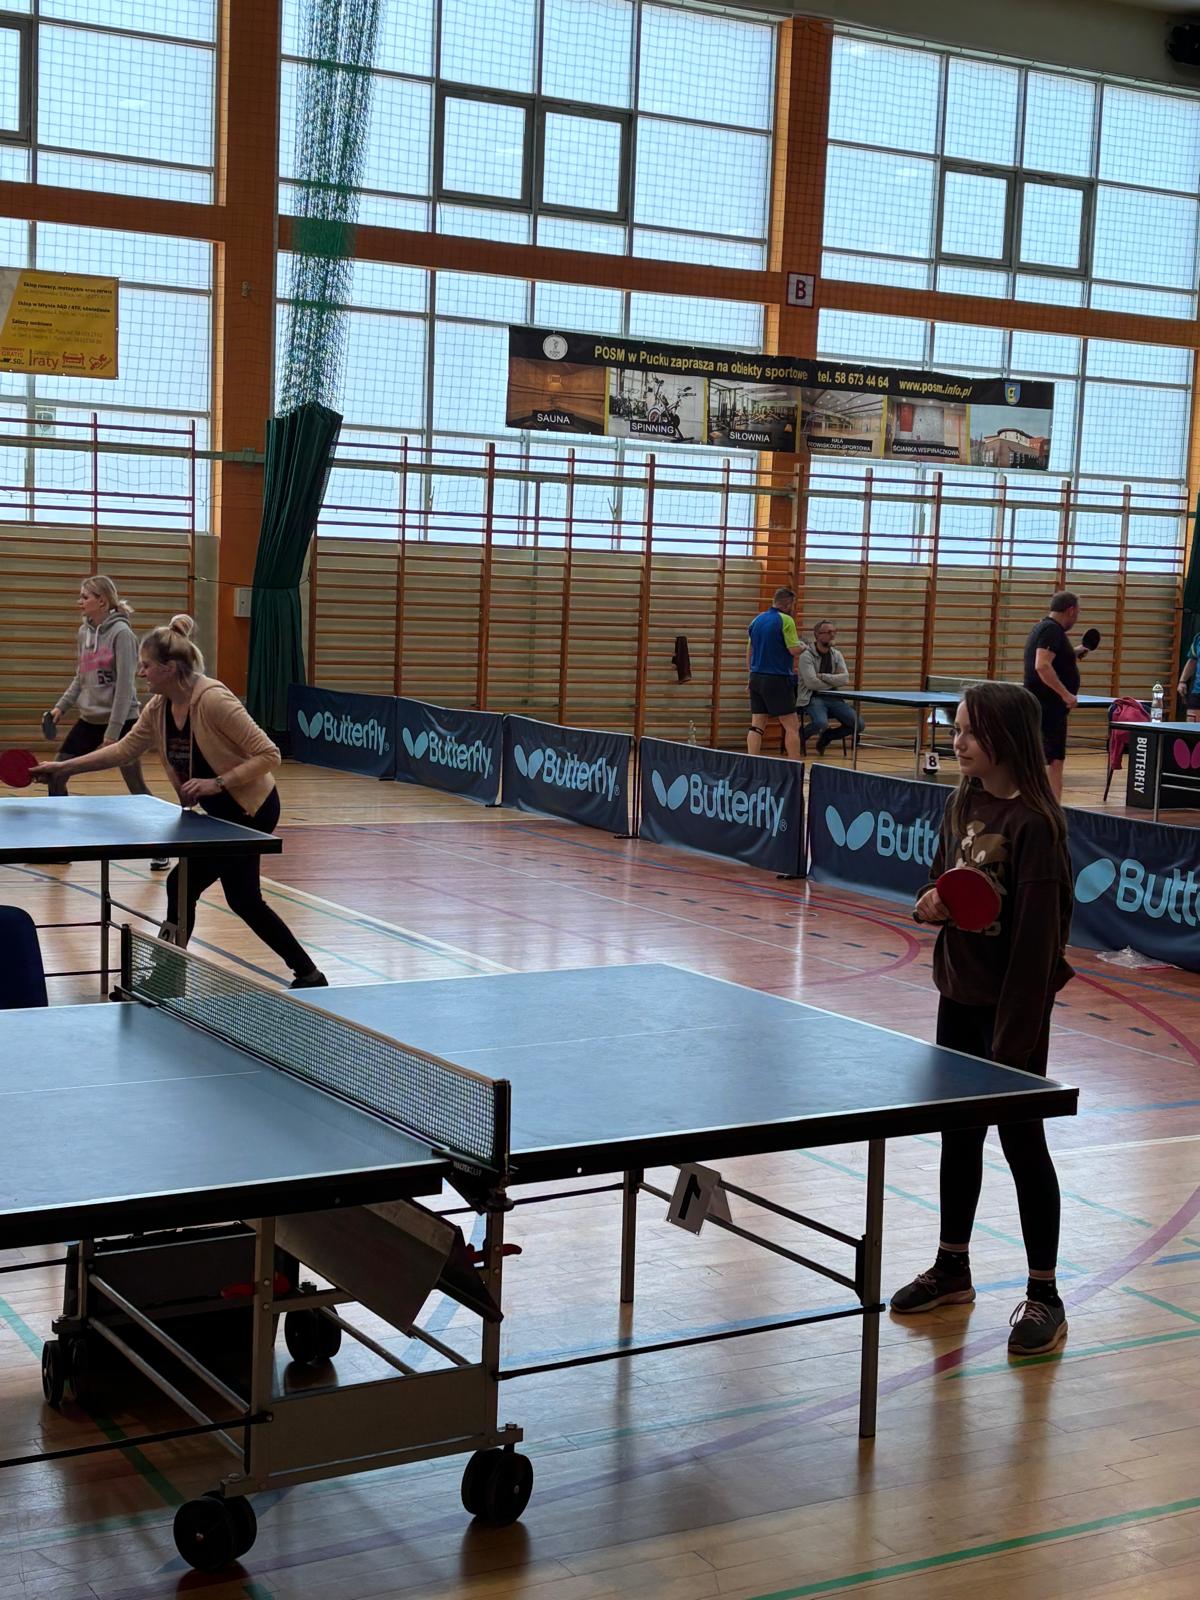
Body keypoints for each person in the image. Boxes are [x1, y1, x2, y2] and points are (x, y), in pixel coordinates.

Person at [890, 681, 1074, 1356]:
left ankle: (1045, 1294)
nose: (957, 740)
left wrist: (1013, 1045)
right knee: (959, 1137)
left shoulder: (1036, 827)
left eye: (968, 730)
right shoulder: (962, 802)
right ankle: (952, 1268)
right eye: (956, 728)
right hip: (958, 999)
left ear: (1002, 737)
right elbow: (940, 883)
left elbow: (1037, 947)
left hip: (1012, 1015)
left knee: (1023, 1145)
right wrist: (929, 904)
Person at [33, 616, 327, 990]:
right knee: (244, 900)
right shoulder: (159, 707)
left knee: (181, 883)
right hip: (218, 815)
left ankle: (168, 976)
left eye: (146, 665)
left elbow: (269, 754)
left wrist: (217, 782)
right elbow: (123, 750)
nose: (140, 673)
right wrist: (62, 769)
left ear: (169, 668)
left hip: (250, 810)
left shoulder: (214, 700)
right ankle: (309, 974)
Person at [47, 574, 168, 870]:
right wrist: (60, 708)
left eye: (85, 596)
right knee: (56, 774)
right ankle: (60, 845)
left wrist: (113, 734)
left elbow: (126, 687)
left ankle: (162, 847)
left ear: (102, 600)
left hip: (122, 721)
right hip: (89, 720)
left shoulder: (122, 634)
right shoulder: (83, 633)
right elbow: (81, 677)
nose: (80, 601)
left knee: (135, 784)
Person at [1022, 590, 1093, 800]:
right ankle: (1052, 806)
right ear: (1070, 610)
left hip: (1043, 707)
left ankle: (1044, 803)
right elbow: (1042, 666)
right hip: (1048, 707)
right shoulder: (1052, 630)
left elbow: (1050, 660)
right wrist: (1066, 695)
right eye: (1077, 612)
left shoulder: (1044, 627)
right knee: (1053, 759)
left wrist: (1073, 653)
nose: (1077, 617)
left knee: (1047, 758)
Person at [746, 586, 802, 760]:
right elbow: (793, 650)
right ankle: (795, 767)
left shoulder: (757, 620)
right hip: (777, 678)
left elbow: (749, 651)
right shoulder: (786, 620)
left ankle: (752, 763)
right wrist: (804, 647)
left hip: (756, 677)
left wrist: (750, 676)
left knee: (757, 725)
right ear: (788, 604)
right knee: (792, 725)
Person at [797, 620, 863, 754]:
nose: (832, 635)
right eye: (828, 632)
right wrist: (834, 680)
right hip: (813, 697)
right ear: (817, 635)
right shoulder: (806, 656)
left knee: (859, 725)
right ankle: (799, 737)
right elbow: (811, 683)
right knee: (821, 723)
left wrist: (823, 676)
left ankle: (827, 736)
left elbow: (845, 679)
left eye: (834, 632)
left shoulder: (836, 654)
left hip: (833, 696)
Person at [1176, 632, 1200, 722]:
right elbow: (1192, 660)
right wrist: (1182, 681)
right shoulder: (1198, 638)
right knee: (1191, 724)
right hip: (1197, 691)